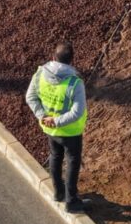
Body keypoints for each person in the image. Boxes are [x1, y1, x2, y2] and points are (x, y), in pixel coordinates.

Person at [26, 42, 88, 213]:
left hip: (49, 129)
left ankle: (58, 192)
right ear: (71, 60)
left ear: (53, 57)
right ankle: (71, 201)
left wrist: (43, 116)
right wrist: (57, 121)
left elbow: (30, 97)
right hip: (71, 131)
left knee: (55, 156)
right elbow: (77, 112)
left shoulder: (40, 74)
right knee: (72, 162)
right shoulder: (75, 83)